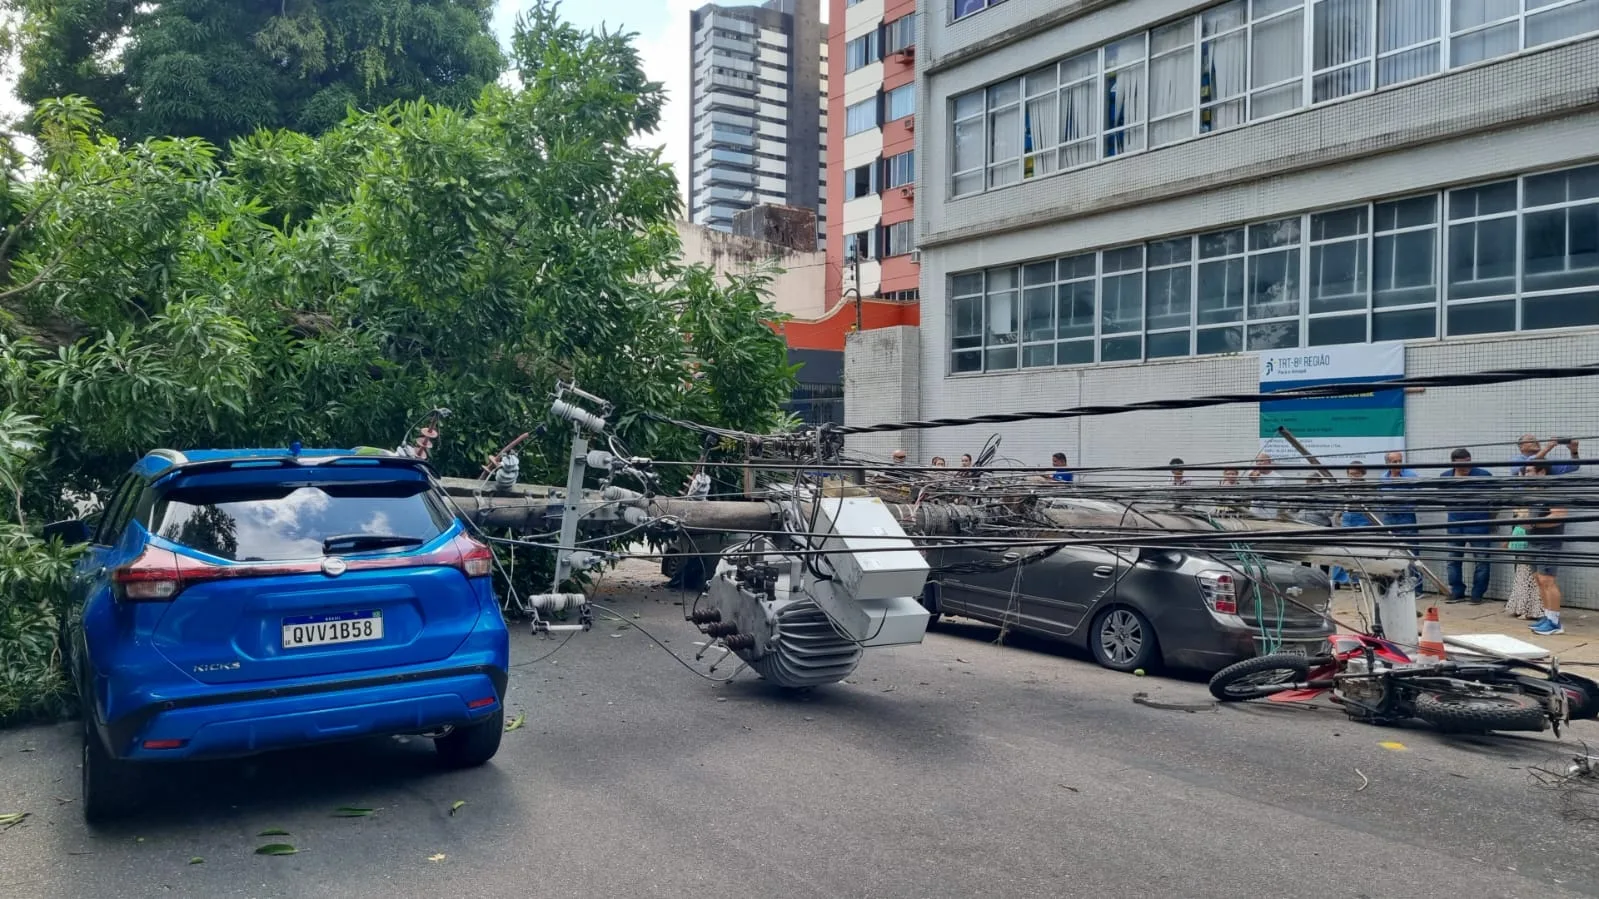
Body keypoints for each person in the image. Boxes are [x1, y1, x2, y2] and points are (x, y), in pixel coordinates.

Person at [1441, 447, 1495, 604]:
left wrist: (1491, 519)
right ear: (1453, 464)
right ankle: (1457, 591)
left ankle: (1477, 594)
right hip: (1455, 524)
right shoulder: (1445, 477)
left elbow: (1495, 499)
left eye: (1468, 464)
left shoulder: (1483, 476)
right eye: (1461, 465)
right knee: (1453, 559)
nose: (1466, 468)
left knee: (1482, 559)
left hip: (1479, 524)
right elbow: (1441, 500)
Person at [1524, 461, 1568, 635]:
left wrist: (1534, 523)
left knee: (1548, 581)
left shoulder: (1553, 491)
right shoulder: (1534, 492)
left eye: (1529, 471)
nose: (1526, 474)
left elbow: (1559, 516)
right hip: (1533, 541)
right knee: (1538, 579)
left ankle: (1555, 623)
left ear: (1541, 472)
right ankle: (1548, 616)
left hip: (1548, 542)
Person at [1379, 451, 1425, 595]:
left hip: (1406, 516)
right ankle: (1395, 586)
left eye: (1400, 461)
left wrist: (1407, 505)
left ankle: (1416, 589)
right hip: (1389, 517)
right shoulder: (1383, 478)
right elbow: (1380, 496)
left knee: (1411, 553)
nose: (1399, 464)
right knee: (1390, 552)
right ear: (1388, 464)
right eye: (1395, 462)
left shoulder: (1410, 476)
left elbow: (1418, 494)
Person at [1332, 462, 1377, 587]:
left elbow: (1373, 504)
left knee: (1359, 549)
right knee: (1342, 549)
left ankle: (1358, 581)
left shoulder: (1369, 487)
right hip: (1347, 518)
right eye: (1351, 474)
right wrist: (1338, 514)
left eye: (1357, 474)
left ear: (1363, 473)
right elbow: (1341, 502)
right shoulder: (1345, 486)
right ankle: (1338, 579)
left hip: (1362, 518)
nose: (1354, 477)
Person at [1503, 507, 1541, 620]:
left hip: (1529, 554)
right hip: (1523, 556)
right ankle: (1521, 608)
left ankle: (1528, 610)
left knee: (1528, 581)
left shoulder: (1528, 521)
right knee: (1523, 580)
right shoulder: (1520, 524)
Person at [1512, 435, 1580, 476]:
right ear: (1521, 447)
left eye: (1536, 440)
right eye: (1531, 440)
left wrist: (1574, 451)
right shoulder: (1516, 460)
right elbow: (1529, 465)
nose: (1536, 442)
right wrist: (1547, 448)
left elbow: (1574, 466)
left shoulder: (1548, 459)